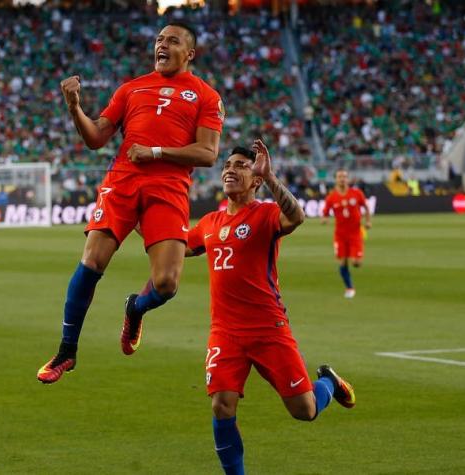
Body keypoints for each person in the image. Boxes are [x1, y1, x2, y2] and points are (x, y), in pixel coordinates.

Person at [37, 21, 225, 384]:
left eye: (173, 41)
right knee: (92, 260)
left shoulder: (206, 95)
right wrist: (74, 107)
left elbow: (207, 152)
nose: (162, 45)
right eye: (159, 39)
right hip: (122, 181)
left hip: (168, 188)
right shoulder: (132, 88)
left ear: (189, 54)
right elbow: (96, 137)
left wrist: (154, 152)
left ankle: (135, 308)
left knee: (167, 283)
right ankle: (66, 351)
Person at [187, 140, 355, 475]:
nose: (230, 169)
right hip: (225, 332)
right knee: (222, 405)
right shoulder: (209, 222)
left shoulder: (264, 214)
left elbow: (297, 216)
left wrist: (273, 178)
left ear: (257, 180)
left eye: (241, 165)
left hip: (268, 329)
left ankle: (329, 384)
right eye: (228, 165)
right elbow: (176, 247)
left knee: (304, 410)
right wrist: (135, 213)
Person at [321, 170, 372, 298]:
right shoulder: (331, 197)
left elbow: (366, 207)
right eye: (340, 177)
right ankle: (349, 288)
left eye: (344, 176)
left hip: (355, 233)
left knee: (356, 263)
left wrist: (368, 221)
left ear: (348, 179)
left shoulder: (356, 193)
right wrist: (325, 219)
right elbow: (325, 212)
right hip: (340, 235)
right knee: (342, 262)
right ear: (336, 180)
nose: (342, 179)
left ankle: (355, 259)